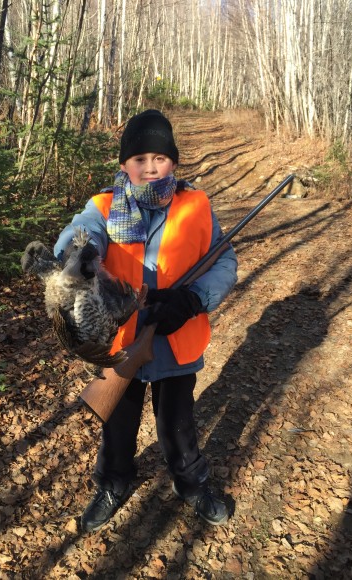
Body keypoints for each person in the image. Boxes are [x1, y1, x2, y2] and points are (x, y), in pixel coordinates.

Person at [54, 109, 238, 532]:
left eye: (160, 157)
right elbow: (82, 233)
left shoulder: (197, 204)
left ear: (173, 161)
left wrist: (194, 298)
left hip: (177, 335)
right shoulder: (103, 206)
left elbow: (224, 260)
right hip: (121, 341)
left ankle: (191, 485)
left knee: (178, 424)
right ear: (124, 165)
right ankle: (113, 483)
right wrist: (76, 255)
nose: (151, 167)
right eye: (140, 159)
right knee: (118, 423)